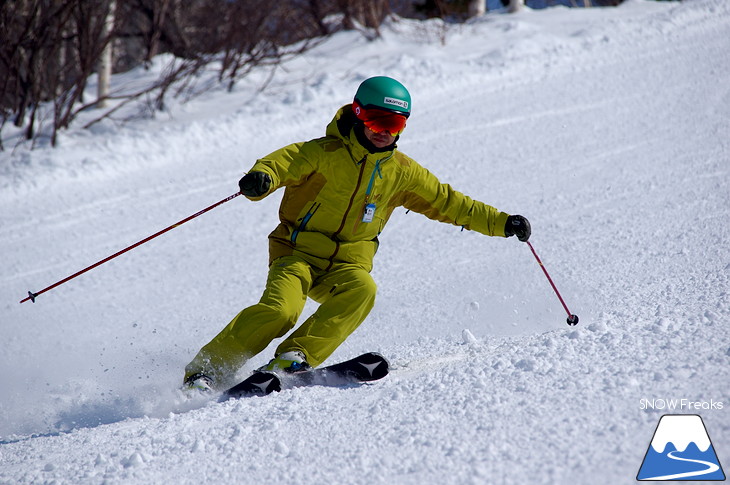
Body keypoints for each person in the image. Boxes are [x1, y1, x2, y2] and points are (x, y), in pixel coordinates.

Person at [183, 76, 530, 392]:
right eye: (377, 121)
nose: (384, 131)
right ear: (359, 113)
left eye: (394, 124)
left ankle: (292, 357)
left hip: (346, 265)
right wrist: (262, 178)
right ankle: (207, 371)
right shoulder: (323, 153)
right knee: (281, 310)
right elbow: (282, 163)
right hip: (296, 255)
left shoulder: (402, 173)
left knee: (363, 290)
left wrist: (501, 222)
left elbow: (450, 203)